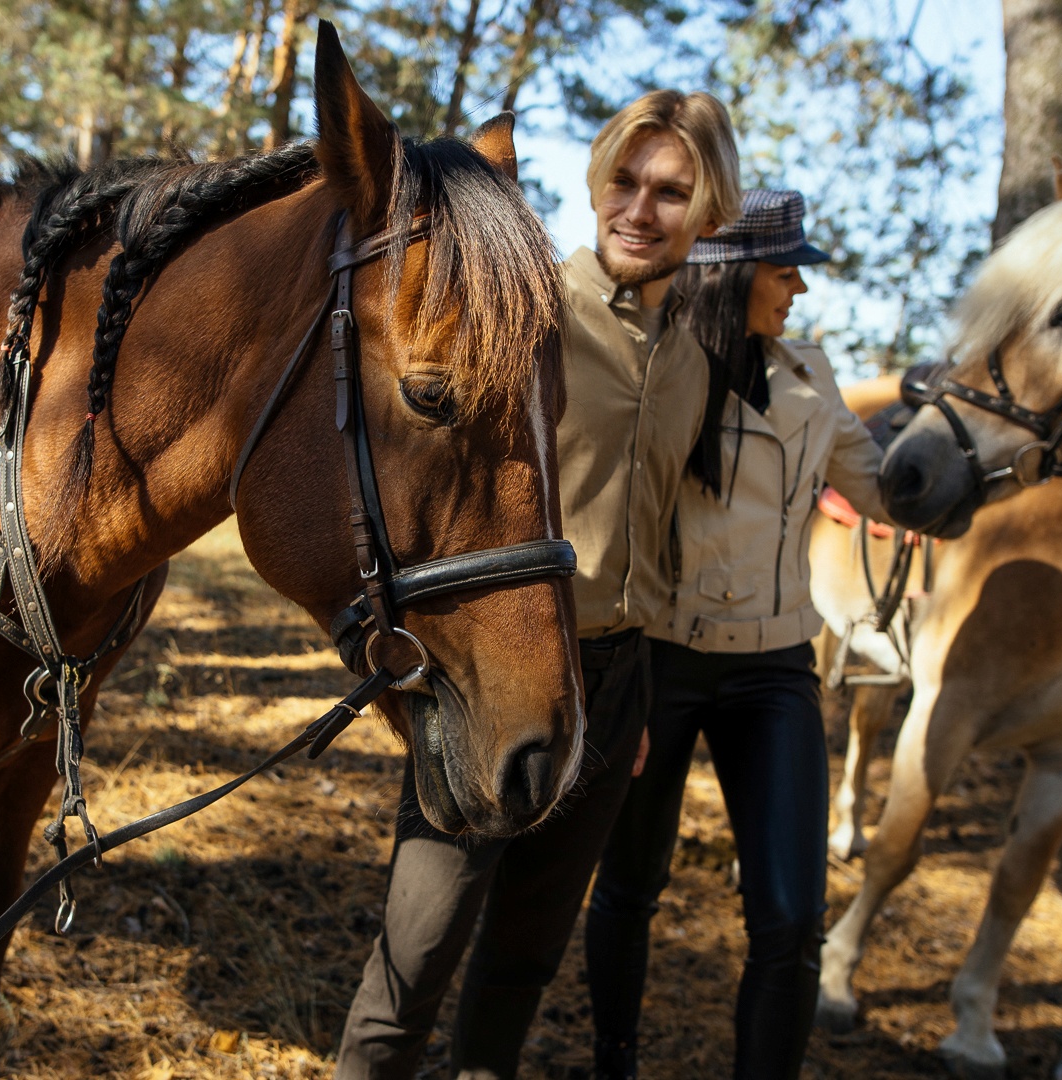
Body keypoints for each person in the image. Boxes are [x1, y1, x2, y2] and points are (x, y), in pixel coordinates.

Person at [333, 90, 742, 1080]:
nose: (640, 208)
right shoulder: (525, 312)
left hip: (615, 689)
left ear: (711, 211)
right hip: (500, 664)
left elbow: (665, 524)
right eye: (624, 181)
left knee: (523, 964)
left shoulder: (699, 351)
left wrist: (635, 689)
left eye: (671, 191)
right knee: (411, 968)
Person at [583, 189, 887, 1080]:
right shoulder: (659, 370)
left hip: (775, 669)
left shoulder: (813, 374)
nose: (797, 289)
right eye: (785, 269)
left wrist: (977, 454)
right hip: (661, 659)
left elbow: (878, 488)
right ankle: (614, 1063)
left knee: (790, 918)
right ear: (735, 274)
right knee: (630, 887)